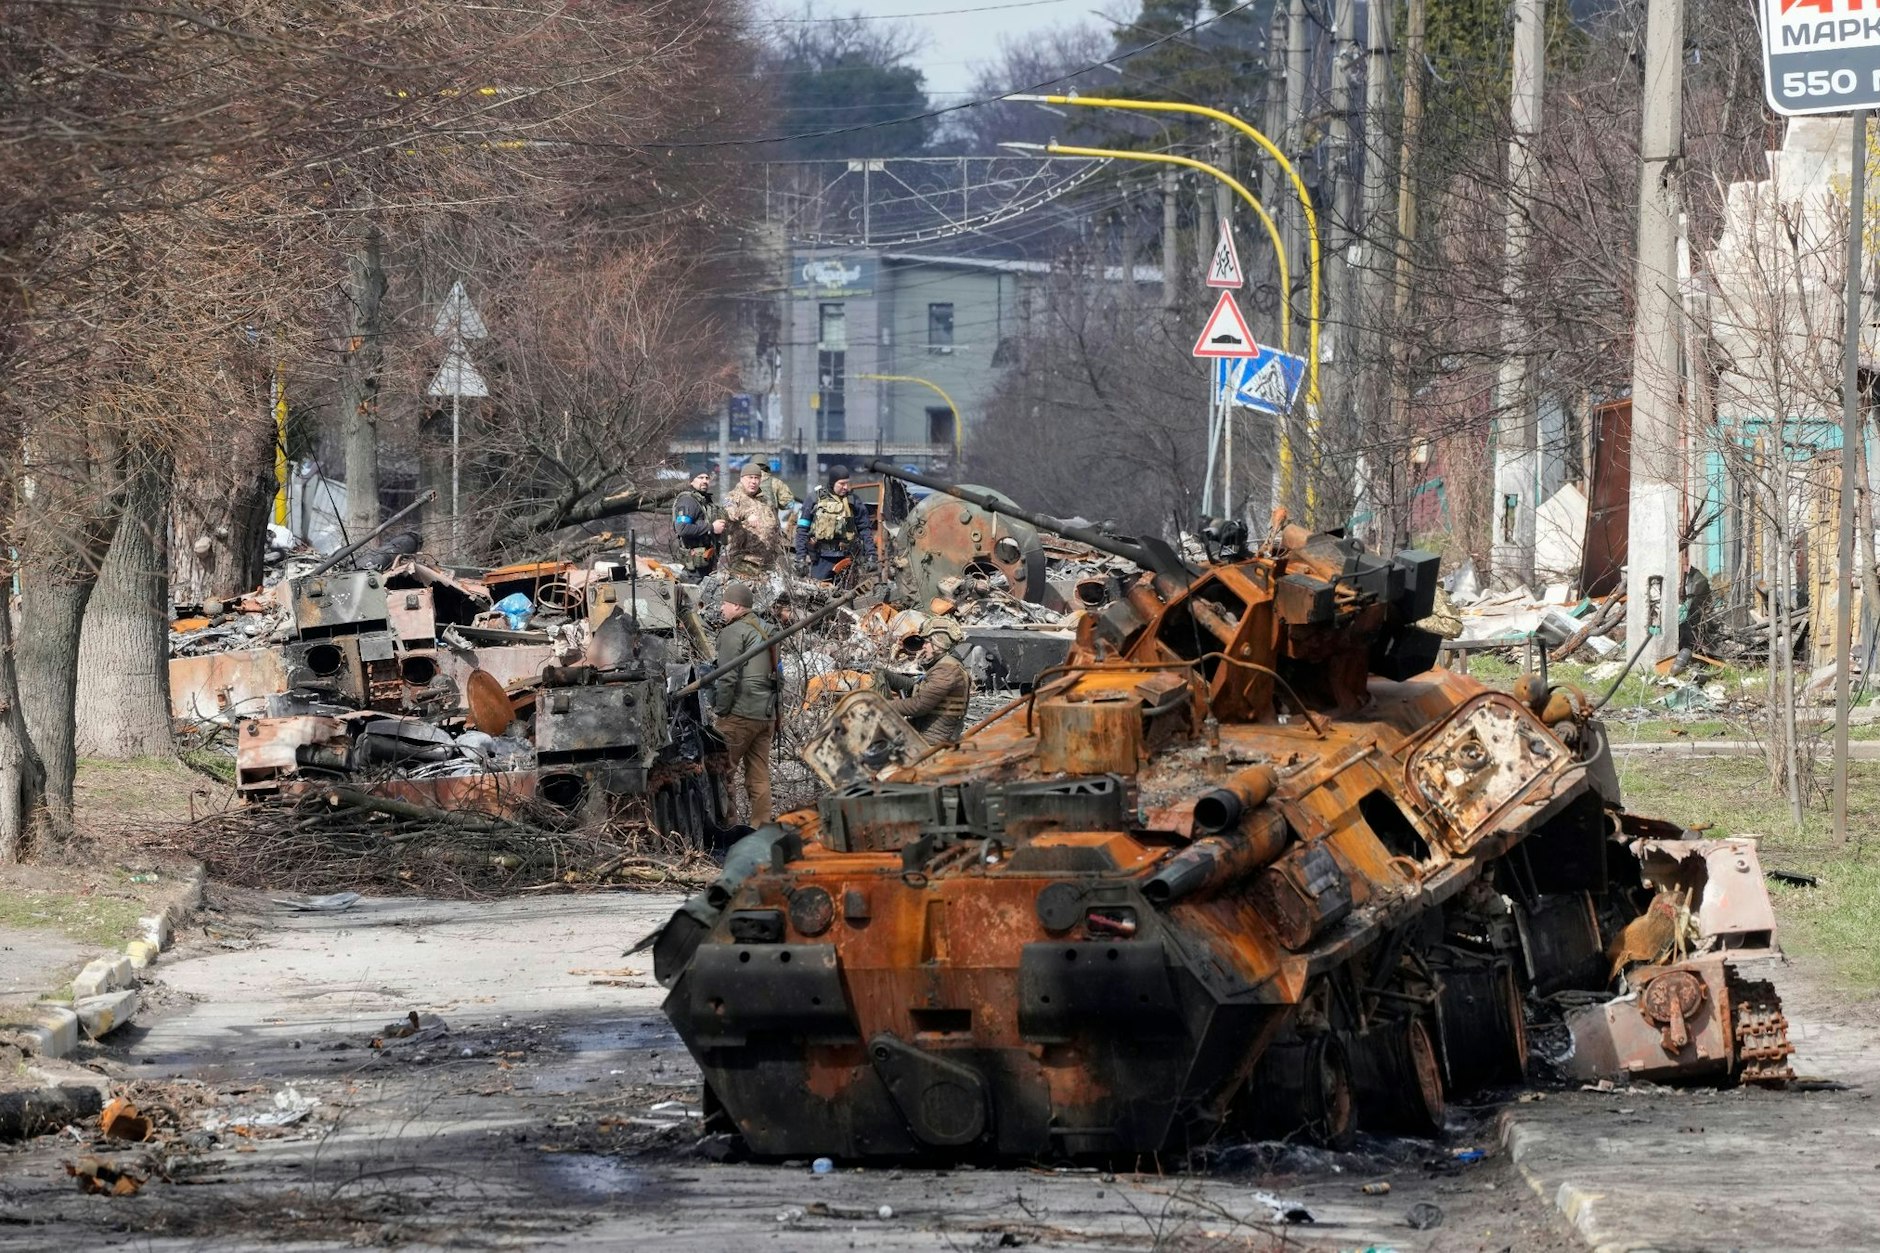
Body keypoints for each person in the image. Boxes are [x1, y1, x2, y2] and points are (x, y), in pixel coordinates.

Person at [710, 582, 779, 826]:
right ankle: (761, 829)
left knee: (722, 773)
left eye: (724, 604)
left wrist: (721, 710)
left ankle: (727, 829)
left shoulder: (733, 632)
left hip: (739, 713)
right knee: (759, 777)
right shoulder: (769, 629)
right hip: (766, 714)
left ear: (737, 606)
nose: (721, 608)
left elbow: (727, 677)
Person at [877, 616, 972, 745]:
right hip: (925, 735)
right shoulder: (946, 666)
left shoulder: (947, 671)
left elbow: (919, 705)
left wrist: (880, 705)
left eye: (927, 642)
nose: (924, 646)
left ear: (940, 642)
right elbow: (915, 687)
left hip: (931, 743)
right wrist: (887, 675)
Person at [796, 463, 876, 580]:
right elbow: (802, 530)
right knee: (819, 594)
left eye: (847, 483)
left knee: (848, 595)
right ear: (833, 482)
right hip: (821, 559)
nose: (846, 487)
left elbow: (865, 529)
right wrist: (800, 558)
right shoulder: (814, 499)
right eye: (842, 483)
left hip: (847, 559)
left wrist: (871, 555)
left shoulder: (853, 501)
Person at [720, 466, 788, 577]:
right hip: (745, 562)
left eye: (756, 478)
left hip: (768, 561)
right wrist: (746, 515)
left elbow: (774, 525)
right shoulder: (734, 497)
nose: (753, 481)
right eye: (750, 477)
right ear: (742, 479)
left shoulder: (764, 500)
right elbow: (728, 513)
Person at [670, 470, 725, 578]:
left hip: (706, 562)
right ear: (691, 481)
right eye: (700, 477)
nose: (704, 481)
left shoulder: (704, 501)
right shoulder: (688, 501)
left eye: (707, 478)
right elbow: (682, 528)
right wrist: (712, 528)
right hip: (694, 569)